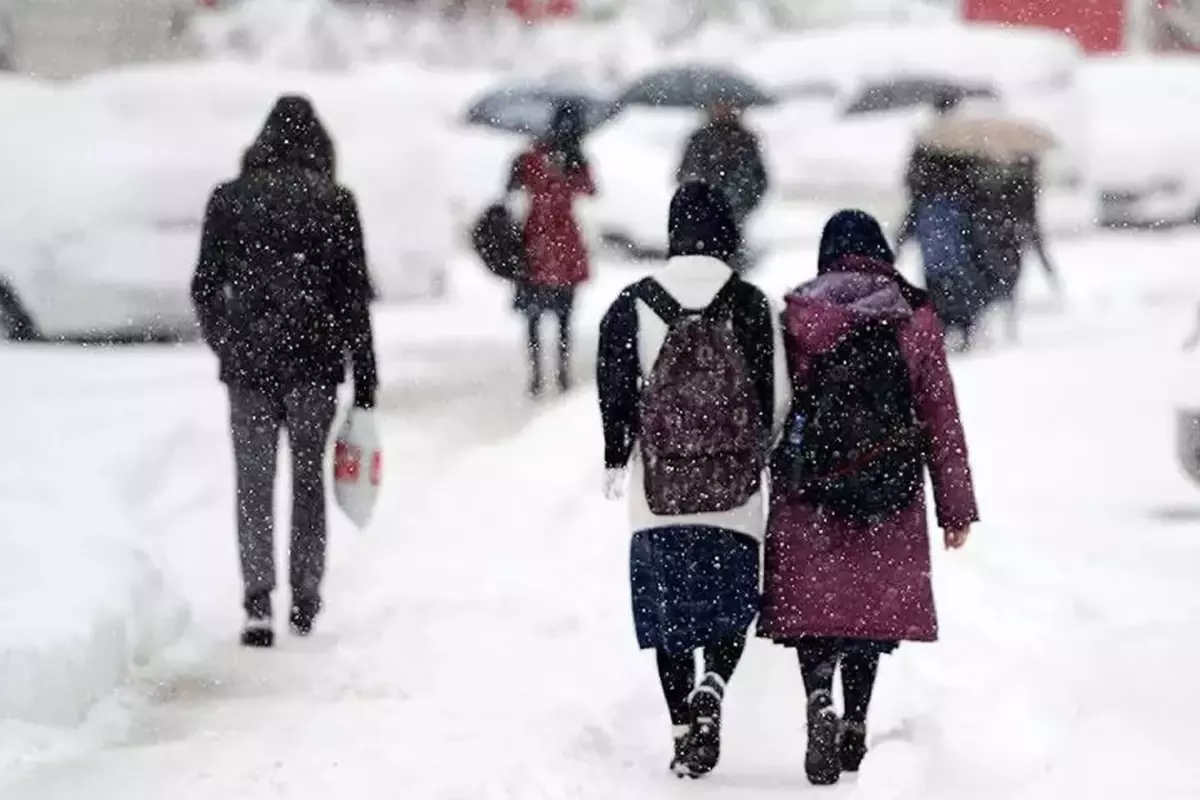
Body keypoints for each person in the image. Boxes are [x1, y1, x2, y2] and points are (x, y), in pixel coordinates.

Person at [759, 210, 978, 786]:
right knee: (866, 611)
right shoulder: (913, 314)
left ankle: (818, 701)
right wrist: (955, 508)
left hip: (812, 491)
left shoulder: (799, 314)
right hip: (890, 487)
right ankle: (855, 721)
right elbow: (940, 418)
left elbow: (775, 409)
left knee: (817, 613)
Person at [597, 181, 790, 779]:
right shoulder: (753, 305)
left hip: (660, 494)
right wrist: (756, 452)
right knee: (731, 608)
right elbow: (777, 400)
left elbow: (614, 393)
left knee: (670, 618)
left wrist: (615, 454)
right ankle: (714, 683)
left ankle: (684, 729)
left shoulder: (633, 302)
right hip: (733, 494)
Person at [190, 95, 378, 648]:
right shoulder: (336, 202)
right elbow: (353, 298)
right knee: (307, 479)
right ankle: (304, 595)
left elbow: (204, 285)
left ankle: (256, 602)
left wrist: (227, 340)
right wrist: (364, 373)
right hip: (313, 365)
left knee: (253, 481)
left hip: (248, 366)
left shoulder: (229, 199)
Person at [507, 98, 596, 397]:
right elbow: (590, 189)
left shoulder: (541, 156)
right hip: (556, 241)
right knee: (560, 314)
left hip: (540, 241)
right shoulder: (561, 157)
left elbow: (513, 189)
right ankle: (557, 372)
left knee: (541, 314)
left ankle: (542, 373)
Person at [896, 92, 987, 350]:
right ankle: (963, 323)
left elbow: (912, 181)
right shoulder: (966, 139)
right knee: (959, 270)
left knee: (935, 272)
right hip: (956, 217)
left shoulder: (927, 139)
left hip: (931, 216)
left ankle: (943, 324)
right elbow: (974, 184)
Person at [676, 101, 770, 272]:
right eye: (718, 104)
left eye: (728, 104)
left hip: (734, 211)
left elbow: (759, 179)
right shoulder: (700, 138)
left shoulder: (745, 139)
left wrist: (741, 201)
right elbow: (684, 173)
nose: (723, 109)